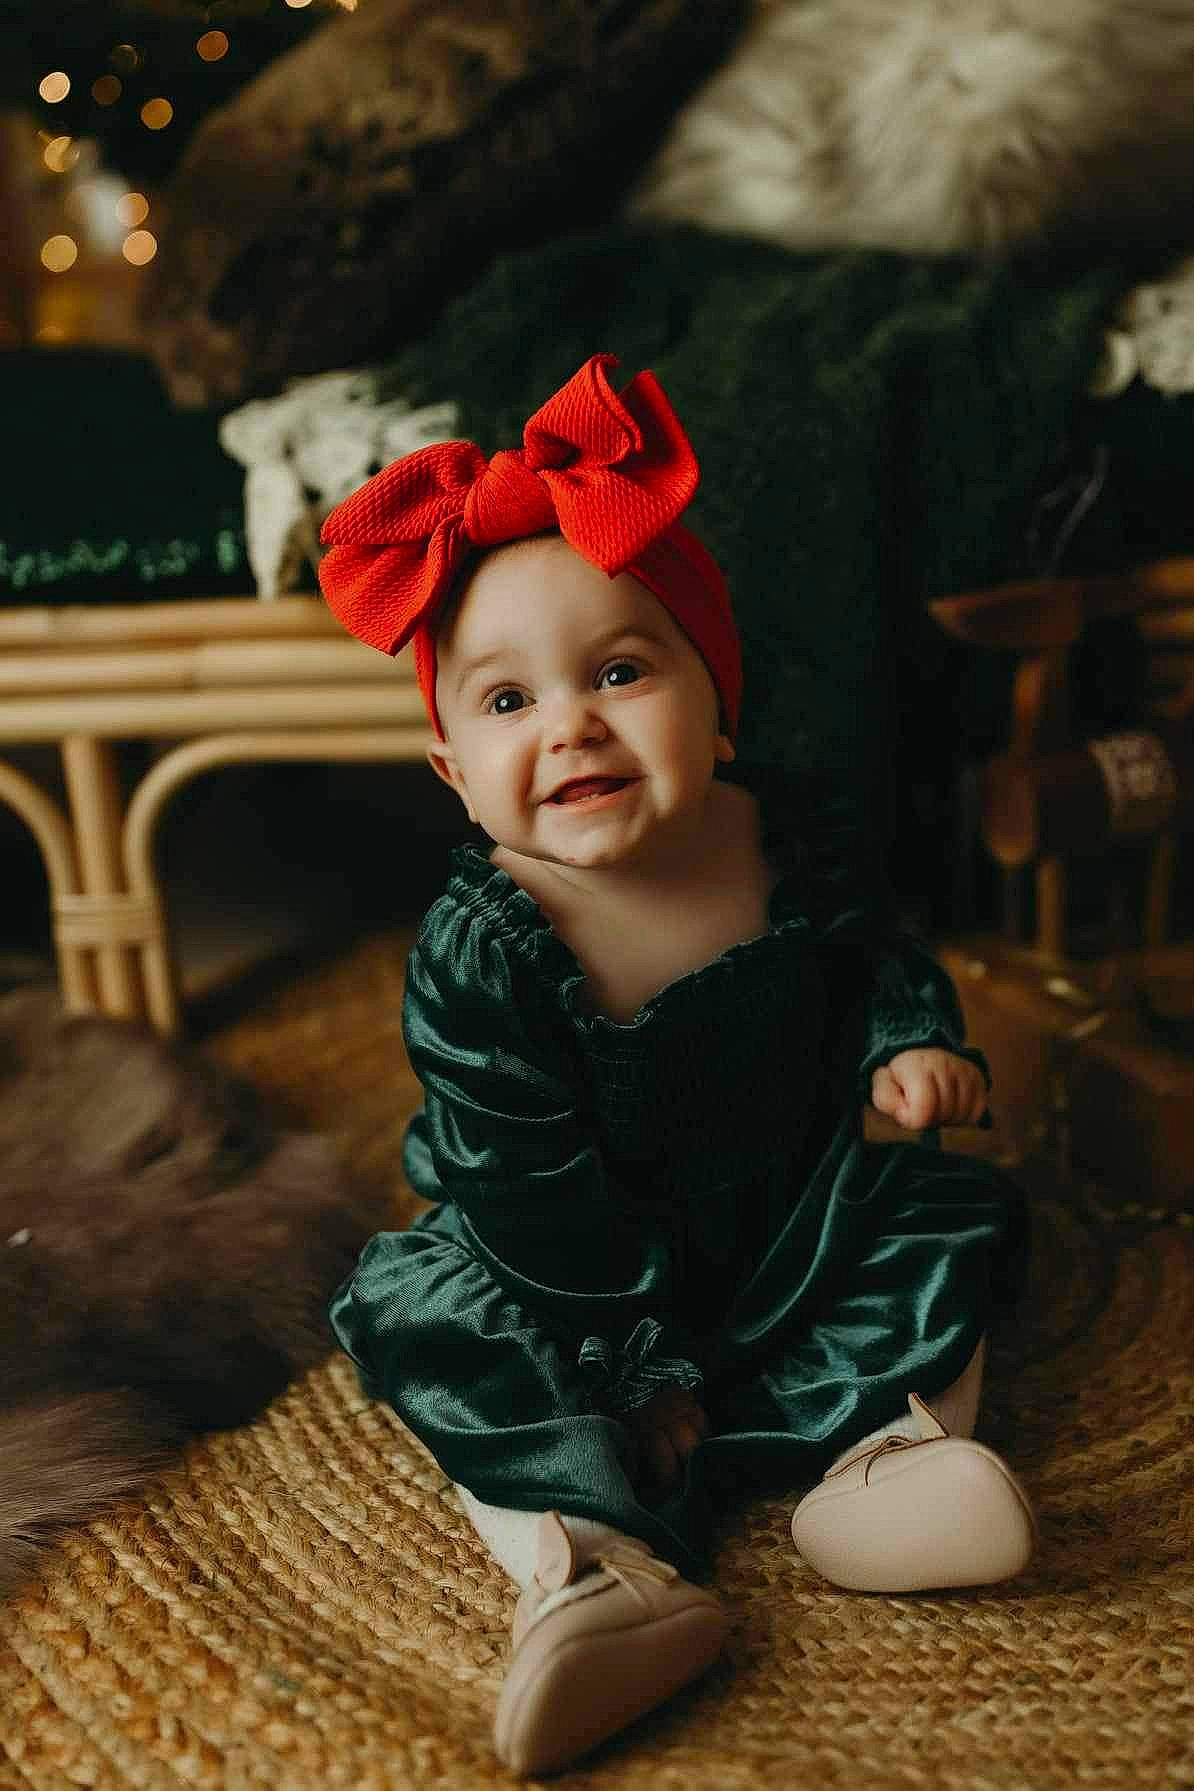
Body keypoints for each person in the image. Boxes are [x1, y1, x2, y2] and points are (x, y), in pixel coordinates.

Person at [317, 354, 1035, 1777]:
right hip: (567, 1259)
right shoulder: (489, 948)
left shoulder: (780, 838)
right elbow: (521, 1181)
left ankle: (879, 1463)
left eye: (622, 671)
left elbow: (869, 957)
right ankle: (590, 1565)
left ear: (717, 706)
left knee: (944, 1218)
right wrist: (629, 1366)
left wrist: (909, 1045)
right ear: (452, 771)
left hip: (790, 1212)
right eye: (505, 703)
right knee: (438, 1329)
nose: (570, 722)